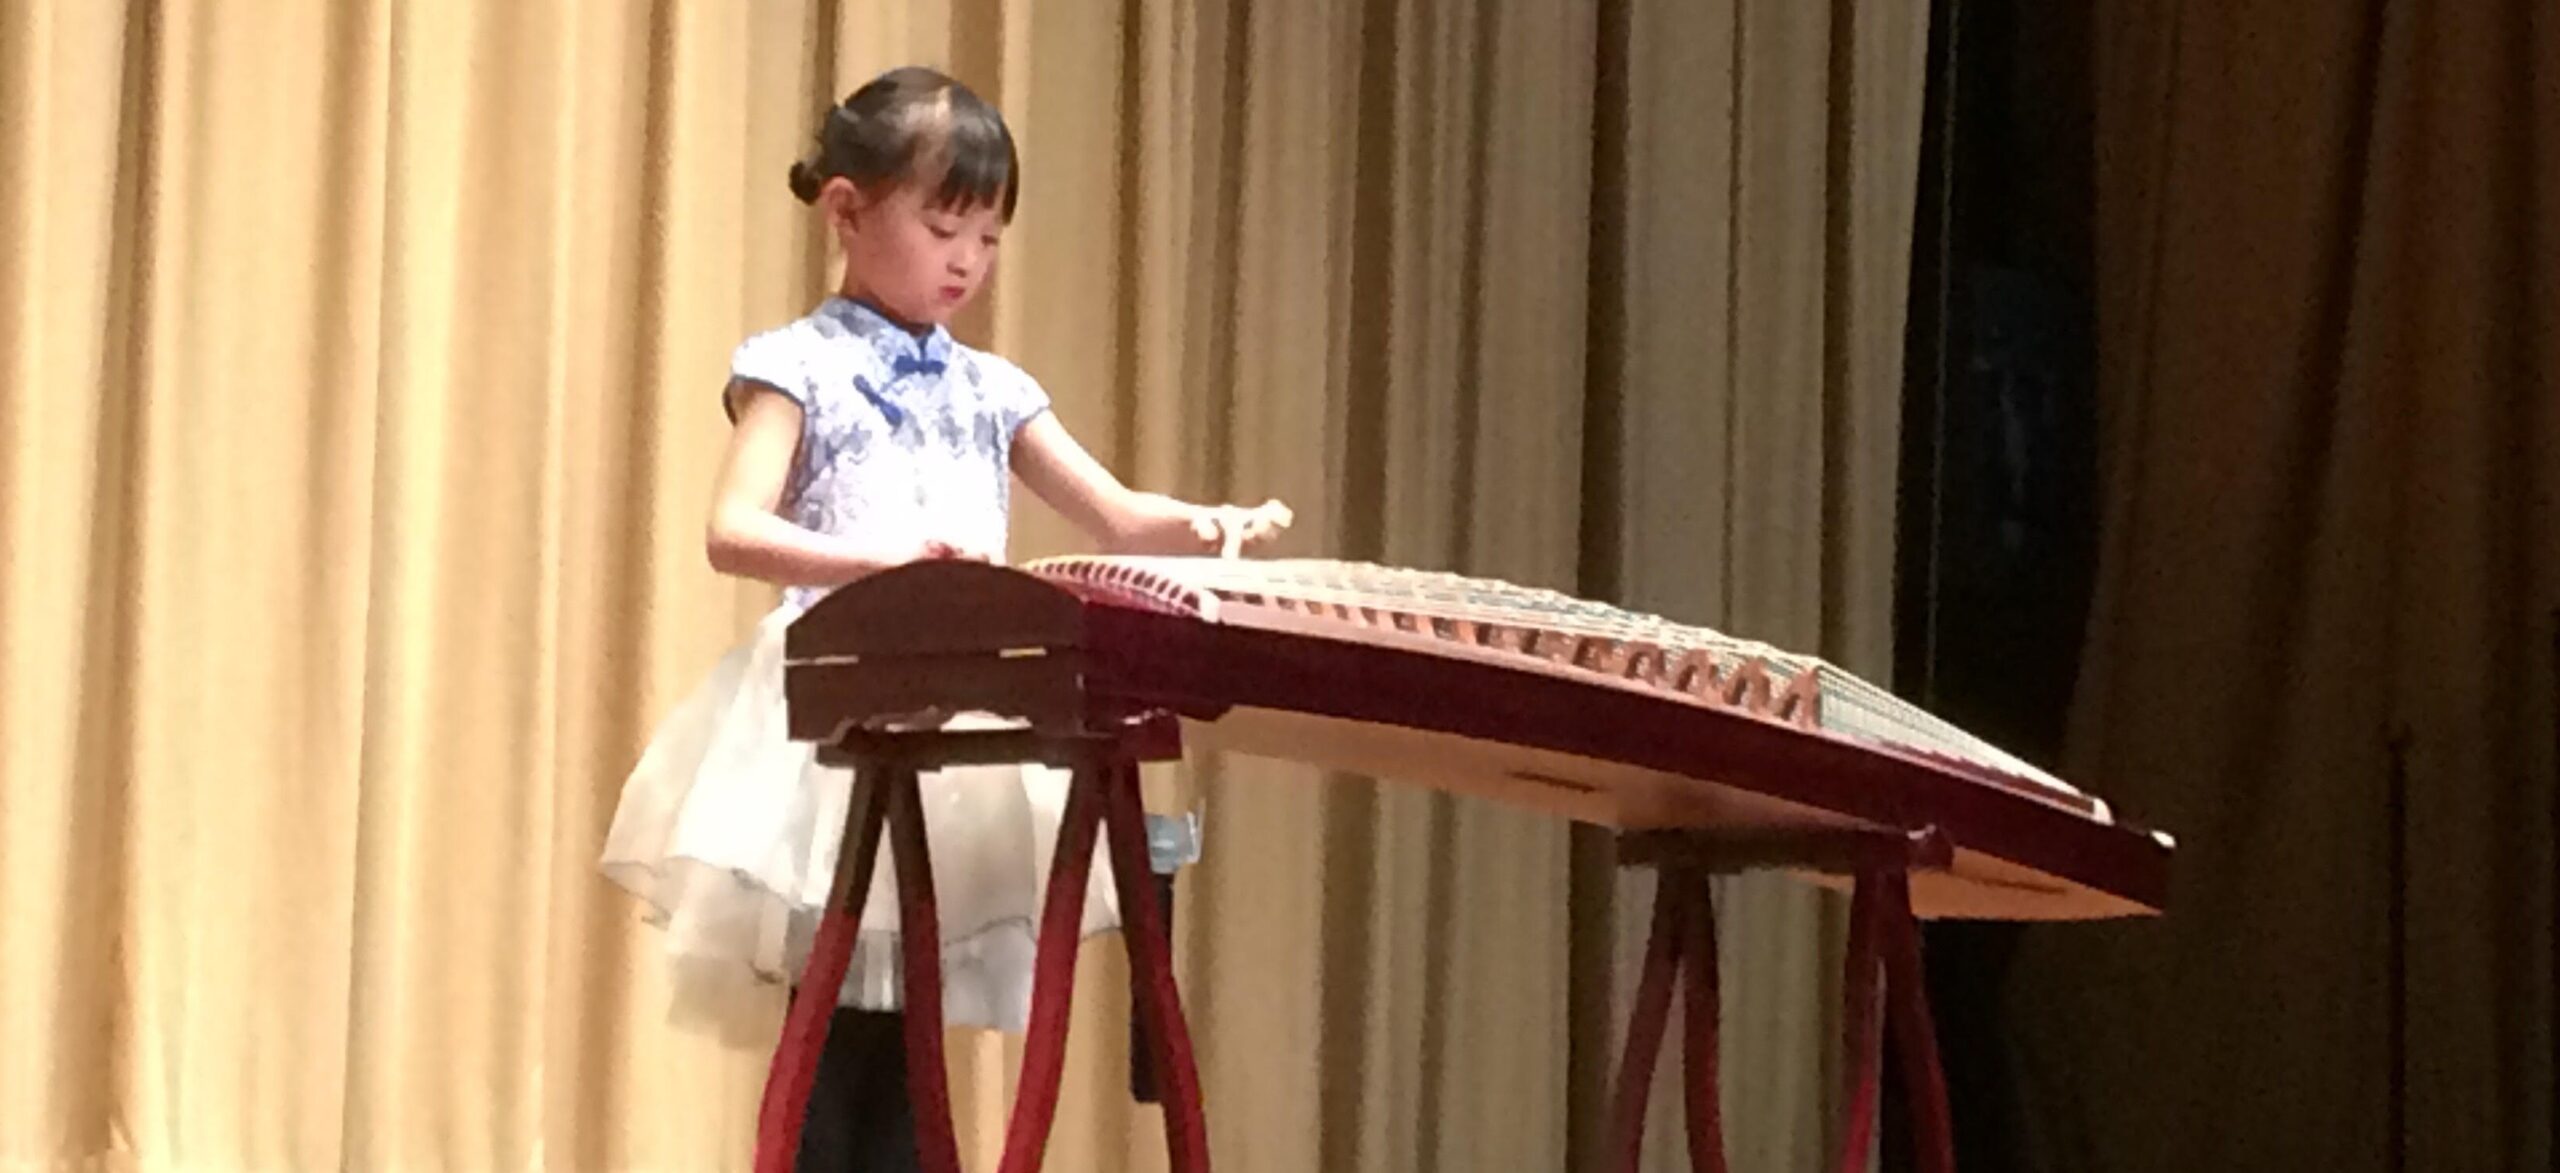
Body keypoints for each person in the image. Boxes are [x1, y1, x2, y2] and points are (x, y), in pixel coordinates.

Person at [598, 65, 1290, 1172]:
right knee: (838, 1020)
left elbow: (1114, 513)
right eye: (941, 225)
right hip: (844, 703)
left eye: (988, 237)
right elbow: (732, 531)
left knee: (914, 1018)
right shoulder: (796, 367)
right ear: (846, 210)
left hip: (970, 708)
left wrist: (1212, 525)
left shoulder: (992, 387)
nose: (966, 259)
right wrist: (882, 564)